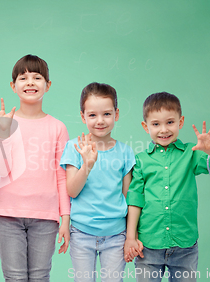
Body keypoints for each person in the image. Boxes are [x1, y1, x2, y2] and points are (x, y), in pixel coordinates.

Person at [124, 92, 210, 282]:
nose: (163, 130)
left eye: (170, 122)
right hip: (149, 245)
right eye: (156, 124)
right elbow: (135, 200)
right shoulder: (141, 161)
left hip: (185, 246)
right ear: (146, 126)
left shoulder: (191, 154)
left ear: (180, 122)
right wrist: (130, 237)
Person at [0, 54, 71, 281]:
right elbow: (1, 170)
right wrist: (3, 132)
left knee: (40, 276)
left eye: (37, 77)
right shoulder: (5, 122)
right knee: (15, 277)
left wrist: (65, 218)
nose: (30, 82)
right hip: (9, 215)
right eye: (23, 78)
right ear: (13, 86)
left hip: (46, 216)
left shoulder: (58, 127)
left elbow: (62, 176)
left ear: (48, 85)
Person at [59, 82, 136, 282]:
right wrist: (87, 165)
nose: (100, 121)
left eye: (107, 114)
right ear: (82, 116)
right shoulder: (74, 147)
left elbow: (128, 198)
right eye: (92, 115)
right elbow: (72, 191)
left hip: (116, 235)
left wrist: (130, 236)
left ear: (116, 114)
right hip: (81, 234)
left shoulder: (125, 152)